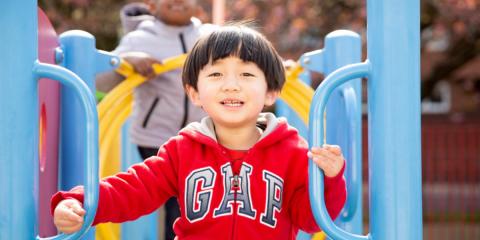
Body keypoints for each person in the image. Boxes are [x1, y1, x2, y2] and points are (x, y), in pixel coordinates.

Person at [52, 24, 347, 239]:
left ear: (270, 91)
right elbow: (133, 190)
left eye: (246, 74)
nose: (231, 84)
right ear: (194, 93)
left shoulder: (293, 151)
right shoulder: (183, 150)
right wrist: (80, 201)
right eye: (216, 74)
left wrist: (331, 180)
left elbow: (310, 220)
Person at [96, 1, 214, 239]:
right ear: (151, 5)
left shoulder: (211, 36)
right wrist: (127, 61)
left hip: (204, 137)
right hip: (156, 138)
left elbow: (245, 61)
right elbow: (102, 81)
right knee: (180, 198)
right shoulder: (138, 39)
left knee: (192, 199)